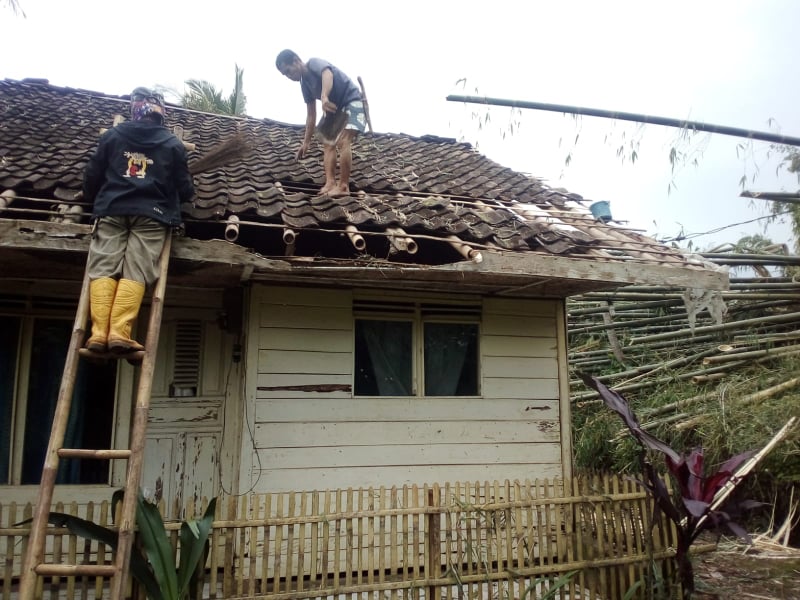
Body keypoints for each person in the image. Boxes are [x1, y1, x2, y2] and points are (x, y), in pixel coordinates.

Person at [82, 87, 195, 354]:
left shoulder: (112, 137)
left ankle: (98, 334)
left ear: (136, 109)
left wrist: (91, 197)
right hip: (152, 214)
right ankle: (120, 332)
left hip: (111, 209)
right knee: (137, 270)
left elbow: (92, 175)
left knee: (103, 266)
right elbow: (185, 188)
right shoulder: (172, 144)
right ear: (160, 112)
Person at [276, 49, 366, 197]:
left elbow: (327, 74)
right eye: (285, 75)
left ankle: (343, 186)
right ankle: (330, 183)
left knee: (344, 140)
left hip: (352, 101)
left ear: (296, 60)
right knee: (327, 142)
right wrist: (306, 142)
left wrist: (324, 96)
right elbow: (311, 115)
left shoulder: (313, 63)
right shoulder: (304, 85)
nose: (289, 76)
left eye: (288, 71)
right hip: (335, 109)